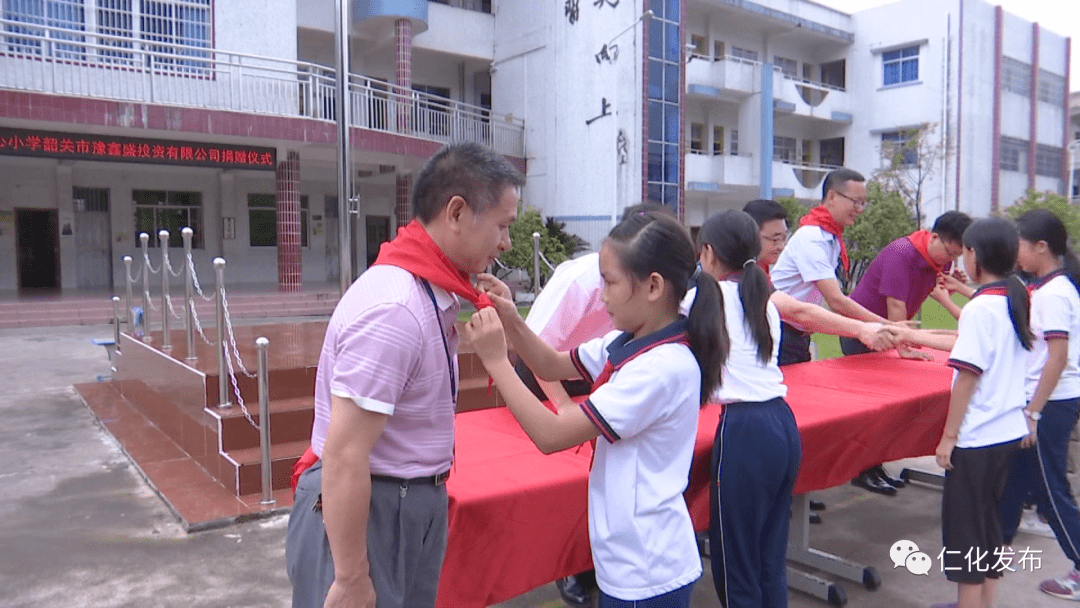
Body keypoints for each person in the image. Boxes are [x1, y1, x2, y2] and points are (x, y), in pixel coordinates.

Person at [285, 142, 524, 608]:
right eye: (502, 225)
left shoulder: (432, 291)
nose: (506, 243)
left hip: (406, 504)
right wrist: (351, 576)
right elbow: (345, 455)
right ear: (457, 212)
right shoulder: (396, 308)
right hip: (371, 510)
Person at [465, 211, 726, 607]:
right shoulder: (632, 340)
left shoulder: (661, 368)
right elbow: (552, 364)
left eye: (610, 282)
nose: (601, 295)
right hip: (634, 557)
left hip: (645, 568)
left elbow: (552, 436)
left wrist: (497, 362)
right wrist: (512, 321)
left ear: (653, 286)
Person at [516, 202, 666, 607]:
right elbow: (540, 354)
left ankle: (586, 561)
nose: (605, 295)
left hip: (597, 366)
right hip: (548, 364)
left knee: (594, 470)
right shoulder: (582, 282)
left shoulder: (660, 324)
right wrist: (565, 409)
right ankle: (569, 564)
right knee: (569, 473)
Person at [695, 210, 800, 608]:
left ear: (707, 253)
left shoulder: (705, 296)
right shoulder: (761, 299)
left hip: (745, 431)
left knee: (734, 556)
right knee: (769, 555)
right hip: (782, 423)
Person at [932, 216, 1033, 608]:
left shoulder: (980, 309)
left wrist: (948, 436)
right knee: (988, 524)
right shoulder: (1016, 295)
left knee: (965, 534)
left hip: (977, 438)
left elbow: (968, 377)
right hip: (1007, 431)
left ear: (973, 255)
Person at [841, 211, 973, 496]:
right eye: (948, 253)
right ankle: (862, 470)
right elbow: (896, 308)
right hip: (864, 333)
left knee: (888, 408)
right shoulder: (902, 254)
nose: (947, 262)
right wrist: (905, 348)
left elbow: (936, 287)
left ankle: (875, 464)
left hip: (893, 333)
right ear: (934, 236)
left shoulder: (939, 259)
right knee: (870, 409)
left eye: (955, 257)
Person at [998, 209, 1080, 600]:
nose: (1017, 253)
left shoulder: (1054, 294)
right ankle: (994, 555)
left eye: (1021, 246)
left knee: (1051, 491)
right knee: (1014, 477)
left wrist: (1033, 412)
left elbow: (1058, 358)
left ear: (1041, 247)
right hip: (1044, 401)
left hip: (1048, 404)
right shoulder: (1051, 288)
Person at [770, 169, 892, 366]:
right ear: (832, 196)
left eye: (863, 203)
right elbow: (836, 301)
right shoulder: (812, 238)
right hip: (780, 331)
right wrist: (886, 326)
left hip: (798, 333)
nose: (860, 209)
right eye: (856, 202)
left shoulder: (831, 237)